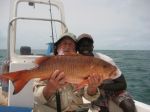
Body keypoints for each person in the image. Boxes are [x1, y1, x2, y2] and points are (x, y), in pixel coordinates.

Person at [33, 32, 102, 112]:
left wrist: (92, 87)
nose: (67, 46)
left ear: (75, 50)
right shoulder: (48, 64)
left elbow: (89, 97)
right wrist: (50, 88)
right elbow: (36, 98)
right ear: (57, 48)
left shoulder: (82, 66)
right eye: (64, 43)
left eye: (71, 44)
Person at [77, 33, 136, 112]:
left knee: (129, 107)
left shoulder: (105, 60)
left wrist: (101, 85)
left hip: (114, 90)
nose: (85, 48)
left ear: (93, 47)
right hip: (96, 92)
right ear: (77, 48)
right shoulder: (75, 62)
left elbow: (123, 84)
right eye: (82, 45)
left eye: (88, 45)